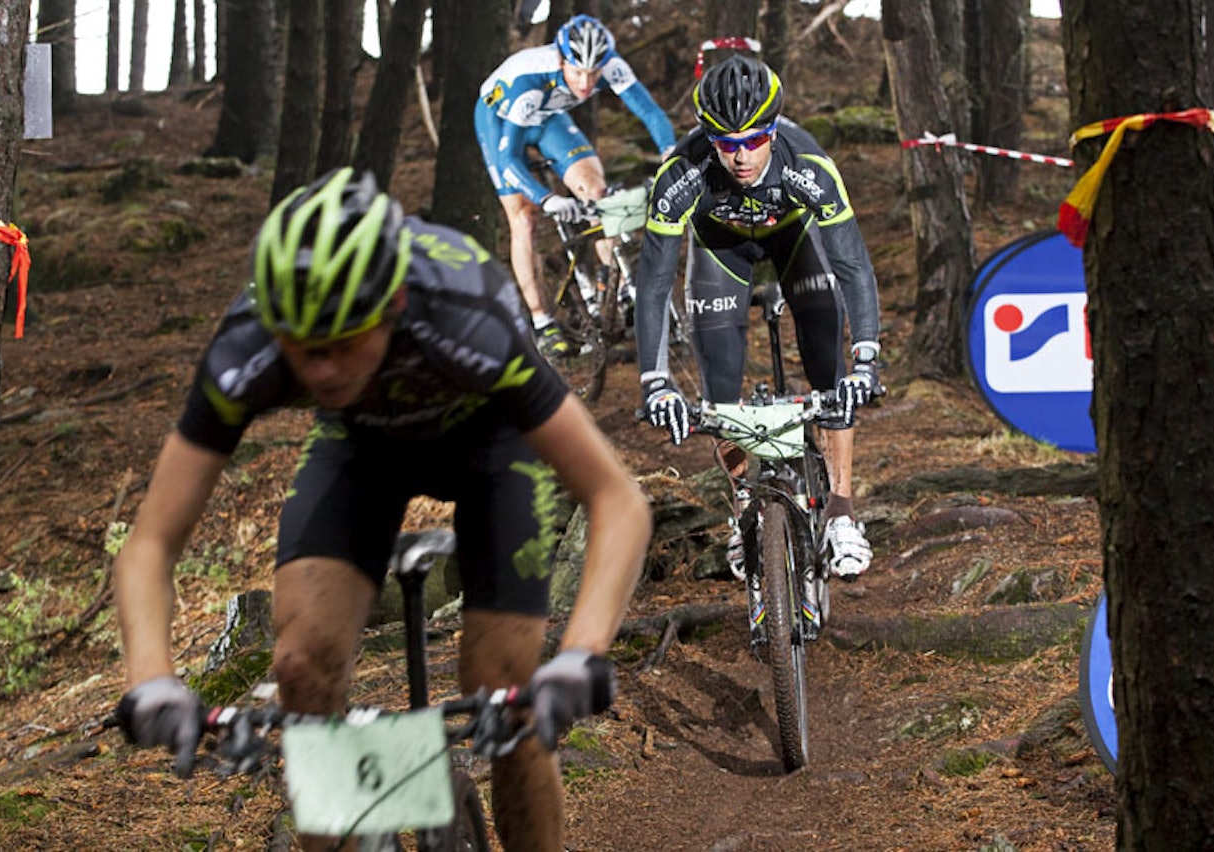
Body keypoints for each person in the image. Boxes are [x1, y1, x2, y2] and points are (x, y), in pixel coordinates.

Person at [112, 168, 652, 852]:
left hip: (491, 442)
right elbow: (152, 542)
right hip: (361, 444)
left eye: (342, 342)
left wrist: (581, 655)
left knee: (504, 689)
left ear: (392, 303)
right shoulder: (250, 342)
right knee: (303, 668)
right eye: (302, 351)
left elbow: (617, 499)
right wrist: (154, 681)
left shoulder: (466, 313)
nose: (322, 370)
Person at [633, 55, 881, 580]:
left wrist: (867, 359)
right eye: (725, 142)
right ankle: (746, 507)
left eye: (753, 140)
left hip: (793, 239)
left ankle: (840, 509)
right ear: (709, 137)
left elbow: (853, 266)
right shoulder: (680, 174)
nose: (741, 156)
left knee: (828, 364)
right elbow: (654, 282)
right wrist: (654, 382)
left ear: (772, 130)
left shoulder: (807, 166)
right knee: (719, 393)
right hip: (720, 249)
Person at [475, 13, 676, 356]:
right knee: (523, 219)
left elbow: (651, 113)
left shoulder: (610, 65)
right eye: (578, 72)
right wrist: (547, 198)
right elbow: (508, 162)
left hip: (549, 117)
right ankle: (542, 324)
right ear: (561, 60)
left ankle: (617, 289)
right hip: (500, 121)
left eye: (593, 73)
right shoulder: (529, 80)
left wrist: (672, 157)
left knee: (597, 193)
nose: (585, 83)